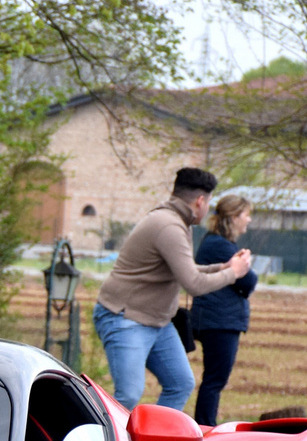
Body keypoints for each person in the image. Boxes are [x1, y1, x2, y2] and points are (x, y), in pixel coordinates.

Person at [93, 168, 253, 411]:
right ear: (200, 200)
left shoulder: (179, 223)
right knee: (128, 395)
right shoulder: (169, 226)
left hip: (156, 321)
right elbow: (194, 285)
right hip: (125, 317)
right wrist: (234, 273)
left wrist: (225, 266)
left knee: (180, 384)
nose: (208, 208)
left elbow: (188, 270)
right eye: (209, 201)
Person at [189, 195, 257, 426]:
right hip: (219, 321)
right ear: (234, 217)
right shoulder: (220, 245)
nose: (249, 219)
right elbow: (248, 282)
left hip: (217, 318)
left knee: (213, 380)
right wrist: (246, 265)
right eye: (246, 214)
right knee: (214, 380)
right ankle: (206, 427)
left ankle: (205, 425)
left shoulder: (217, 242)